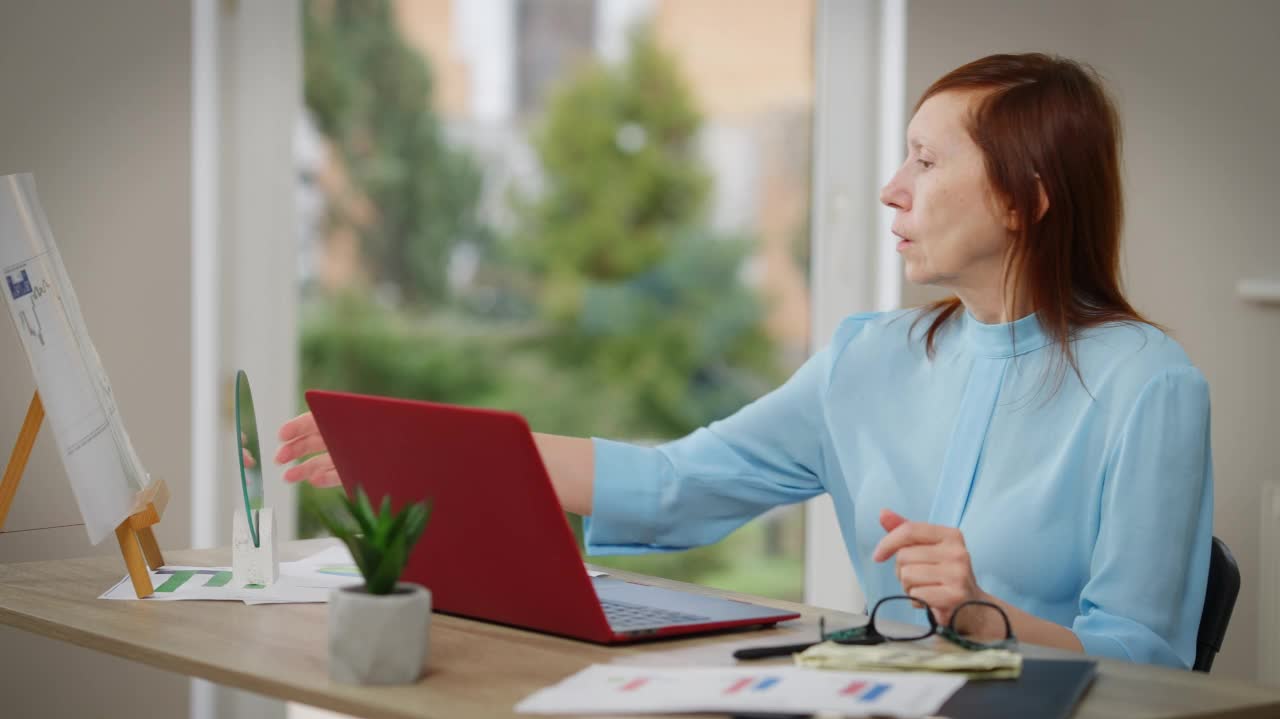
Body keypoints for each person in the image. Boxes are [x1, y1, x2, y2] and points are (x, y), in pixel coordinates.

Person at [276, 53, 1211, 669]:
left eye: (925, 164)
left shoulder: (1148, 386)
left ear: (1025, 200)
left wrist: (978, 614)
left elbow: (1150, 667)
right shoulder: (867, 359)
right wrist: (429, 455)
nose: (892, 190)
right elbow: (680, 480)